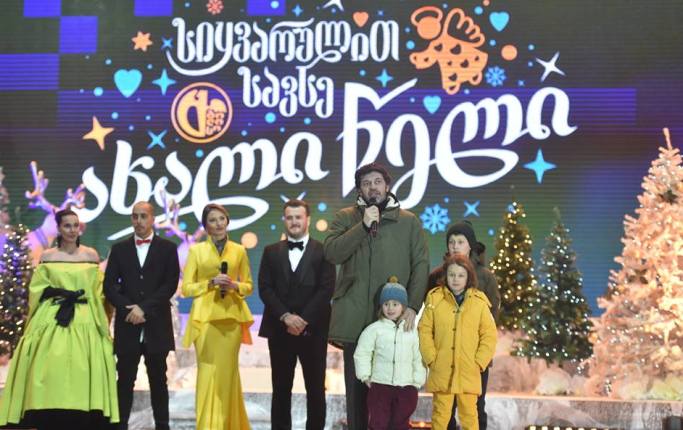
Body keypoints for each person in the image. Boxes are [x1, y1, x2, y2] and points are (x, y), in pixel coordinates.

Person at [324, 162, 429, 430]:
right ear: (359, 189)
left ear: (387, 186)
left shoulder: (408, 221)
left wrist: (412, 306)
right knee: (357, 393)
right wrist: (362, 226)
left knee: (392, 398)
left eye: (377, 182)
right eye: (366, 183)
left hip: (393, 321)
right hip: (355, 318)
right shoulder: (346, 217)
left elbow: (420, 265)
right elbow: (332, 253)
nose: (373, 187)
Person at [0, 209, 118, 430]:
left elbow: (98, 291)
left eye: (75, 225)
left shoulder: (91, 255)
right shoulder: (47, 256)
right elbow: (37, 291)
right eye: (67, 225)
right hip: (52, 316)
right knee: (49, 369)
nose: (72, 230)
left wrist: (104, 321)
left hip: (85, 317)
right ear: (59, 228)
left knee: (82, 370)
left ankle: (85, 413)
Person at [258, 199, 336, 430]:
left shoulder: (324, 251)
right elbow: (265, 288)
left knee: (316, 389)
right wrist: (286, 316)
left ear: (307, 219)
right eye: (289, 217)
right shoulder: (270, 251)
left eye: (298, 217)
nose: (294, 221)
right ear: (284, 220)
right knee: (280, 389)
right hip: (279, 330)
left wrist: (303, 320)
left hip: (314, 331)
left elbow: (327, 288)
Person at [103, 201, 180, 430]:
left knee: (159, 381)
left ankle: (162, 426)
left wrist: (143, 308)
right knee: (124, 380)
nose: (139, 221)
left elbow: (170, 285)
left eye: (143, 216)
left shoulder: (168, 248)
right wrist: (129, 308)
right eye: (135, 216)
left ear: (153, 218)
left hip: (156, 324)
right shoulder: (119, 249)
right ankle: (120, 425)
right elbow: (109, 286)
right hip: (128, 324)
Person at [181, 203, 254, 430]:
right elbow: (186, 288)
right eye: (212, 220)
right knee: (207, 372)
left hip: (231, 319)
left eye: (221, 219)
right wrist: (210, 283)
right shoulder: (196, 251)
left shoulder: (239, 250)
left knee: (228, 373)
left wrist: (234, 285)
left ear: (227, 221)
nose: (218, 224)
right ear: (206, 226)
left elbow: (249, 285)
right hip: (205, 320)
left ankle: (229, 424)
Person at [427, 221, 500, 430]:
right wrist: (432, 356)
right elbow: (428, 320)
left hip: (473, 359)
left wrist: (479, 360)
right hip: (444, 358)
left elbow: (491, 320)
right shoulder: (436, 277)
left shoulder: (485, 277)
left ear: (470, 245)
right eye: (451, 242)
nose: (455, 246)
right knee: (444, 411)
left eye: (460, 241)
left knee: (475, 409)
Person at [353, 278, 426, 430]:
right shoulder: (374, 329)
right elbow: (362, 353)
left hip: (406, 387)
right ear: (381, 306)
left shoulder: (411, 331)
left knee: (400, 424)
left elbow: (418, 357)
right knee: (378, 422)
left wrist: (417, 382)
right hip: (381, 386)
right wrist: (365, 376)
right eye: (386, 304)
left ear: (403, 307)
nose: (390, 308)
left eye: (395, 304)